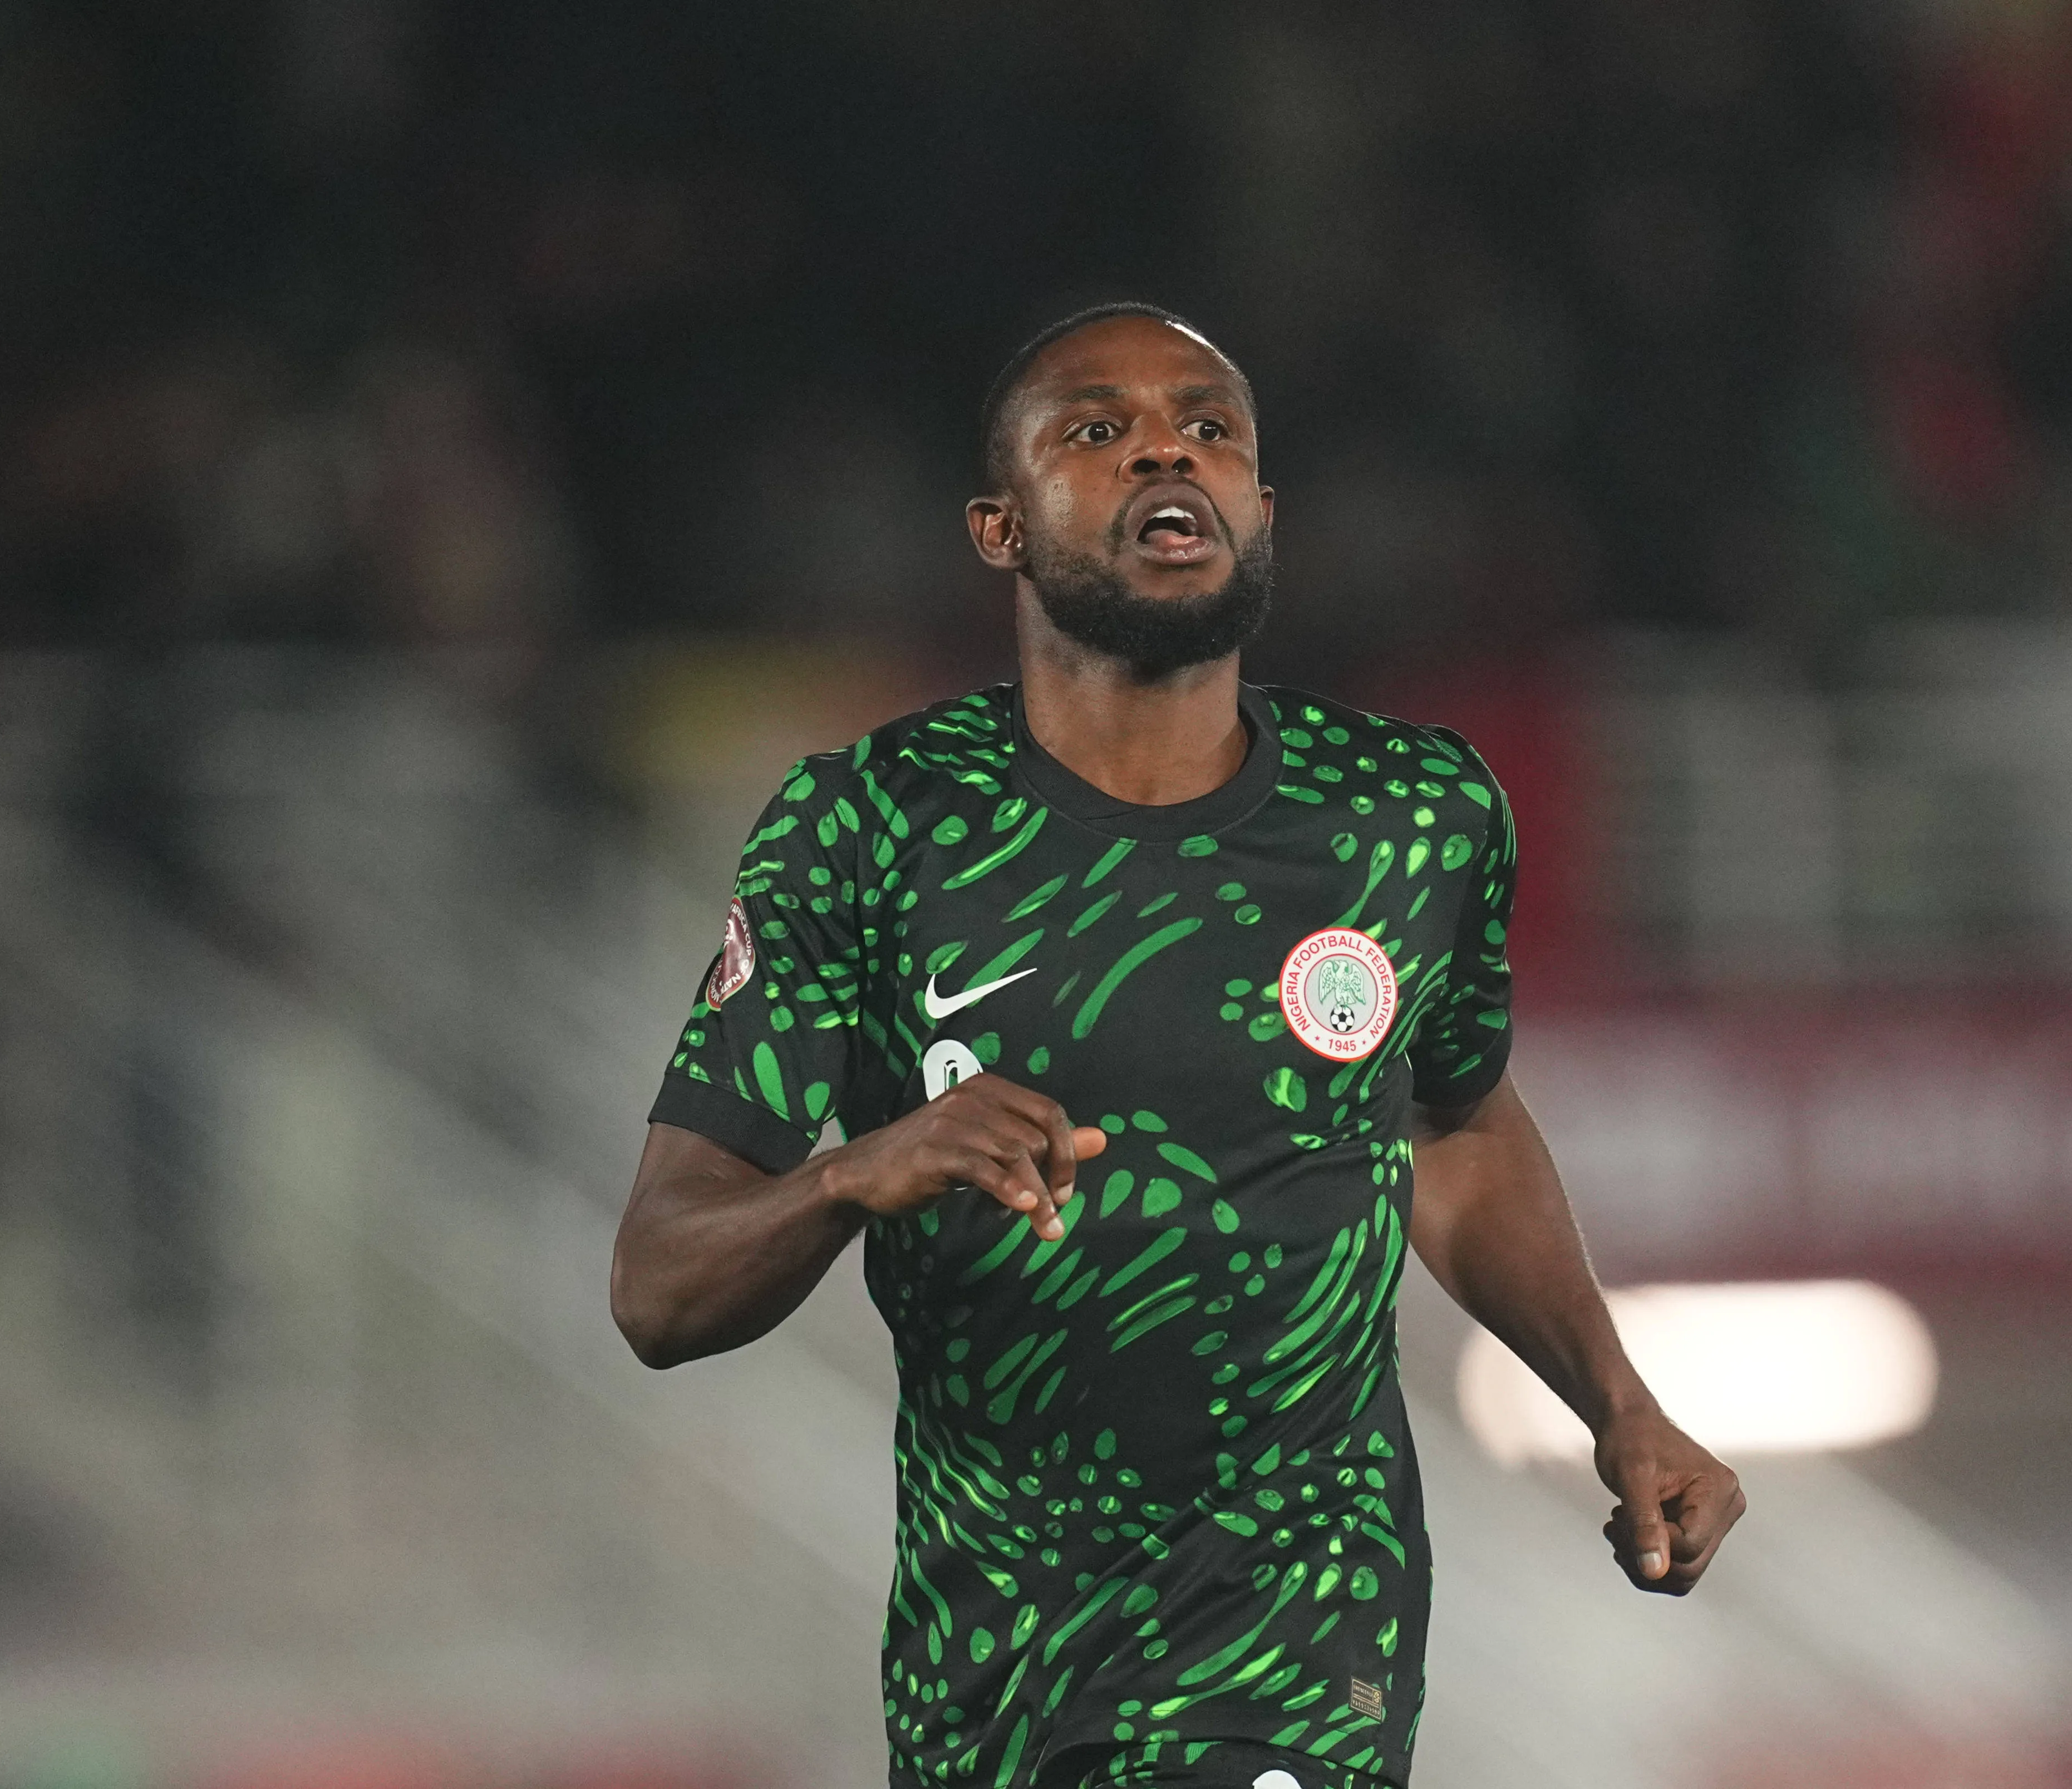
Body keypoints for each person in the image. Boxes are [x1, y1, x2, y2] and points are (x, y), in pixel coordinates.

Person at [611, 304, 1744, 1789]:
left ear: (1260, 513)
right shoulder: (873, 829)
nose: (1166, 447)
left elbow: (1455, 1133)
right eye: (1098, 429)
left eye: (1211, 428)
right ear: (999, 528)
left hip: (1293, 1643)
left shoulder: (1410, 819)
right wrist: (857, 1173)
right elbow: (660, 1284)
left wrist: (1623, 1403)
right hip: (989, 1676)